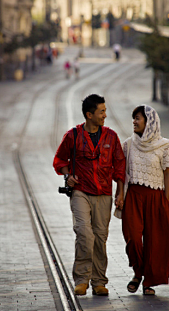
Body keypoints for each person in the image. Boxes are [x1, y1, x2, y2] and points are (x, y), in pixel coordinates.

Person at [53, 94, 125, 296]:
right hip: (80, 192)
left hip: (104, 193)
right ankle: (82, 279)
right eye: (102, 112)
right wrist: (68, 176)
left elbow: (120, 165)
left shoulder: (111, 137)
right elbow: (59, 159)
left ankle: (99, 281)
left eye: (105, 110)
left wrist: (120, 193)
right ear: (89, 115)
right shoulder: (72, 136)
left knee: (100, 237)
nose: (105, 115)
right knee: (84, 233)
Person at [120, 105, 169, 296]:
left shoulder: (165, 146)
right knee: (133, 238)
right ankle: (138, 272)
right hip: (134, 197)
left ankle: (147, 281)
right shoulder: (128, 144)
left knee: (155, 242)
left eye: (138, 118)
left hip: (156, 198)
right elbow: (122, 174)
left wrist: (166, 200)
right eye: (133, 118)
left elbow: (167, 174)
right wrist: (119, 194)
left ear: (149, 122)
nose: (134, 122)